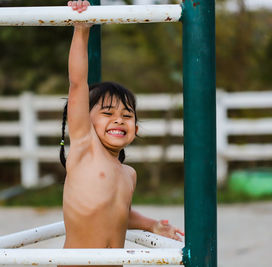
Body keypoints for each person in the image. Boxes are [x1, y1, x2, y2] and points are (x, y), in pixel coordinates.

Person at [60, 0, 184, 255]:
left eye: (127, 116)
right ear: (86, 120)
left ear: (135, 129)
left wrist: (152, 225)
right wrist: (82, 29)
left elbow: (118, 215)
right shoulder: (85, 149)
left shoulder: (129, 174)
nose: (118, 119)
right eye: (107, 113)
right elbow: (77, 82)